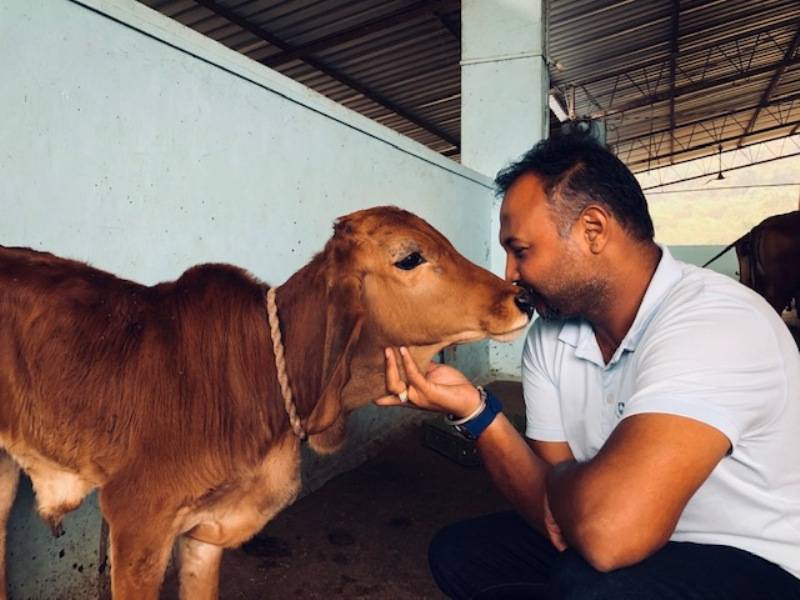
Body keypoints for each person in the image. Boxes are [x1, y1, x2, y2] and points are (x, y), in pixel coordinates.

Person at [376, 134, 800, 599]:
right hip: (617, 539)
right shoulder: (550, 336)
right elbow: (549, 514)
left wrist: (568, 486)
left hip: (756, 562)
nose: (509, 275)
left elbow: (608, 534)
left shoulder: (718, 322)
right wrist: (476, 412)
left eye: (521, 250)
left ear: (593, 230)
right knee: (460, 553)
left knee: (591, 583)